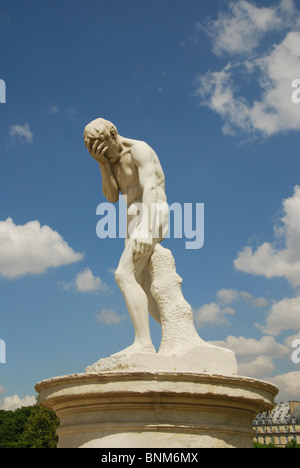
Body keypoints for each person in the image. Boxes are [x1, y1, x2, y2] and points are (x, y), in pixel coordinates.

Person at [84, 118, 169, 355]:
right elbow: (112, 197)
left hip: (153, 215)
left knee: (123, 274)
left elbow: (150, 188)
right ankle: (174, 330)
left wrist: (145, 228)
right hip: (133, 223)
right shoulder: (109, 159)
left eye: (103, 148)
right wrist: (102, 164)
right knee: (142, 285)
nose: (103, 154)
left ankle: (143, 343)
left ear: (113, 135)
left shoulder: (139, 150)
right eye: (95, 151)